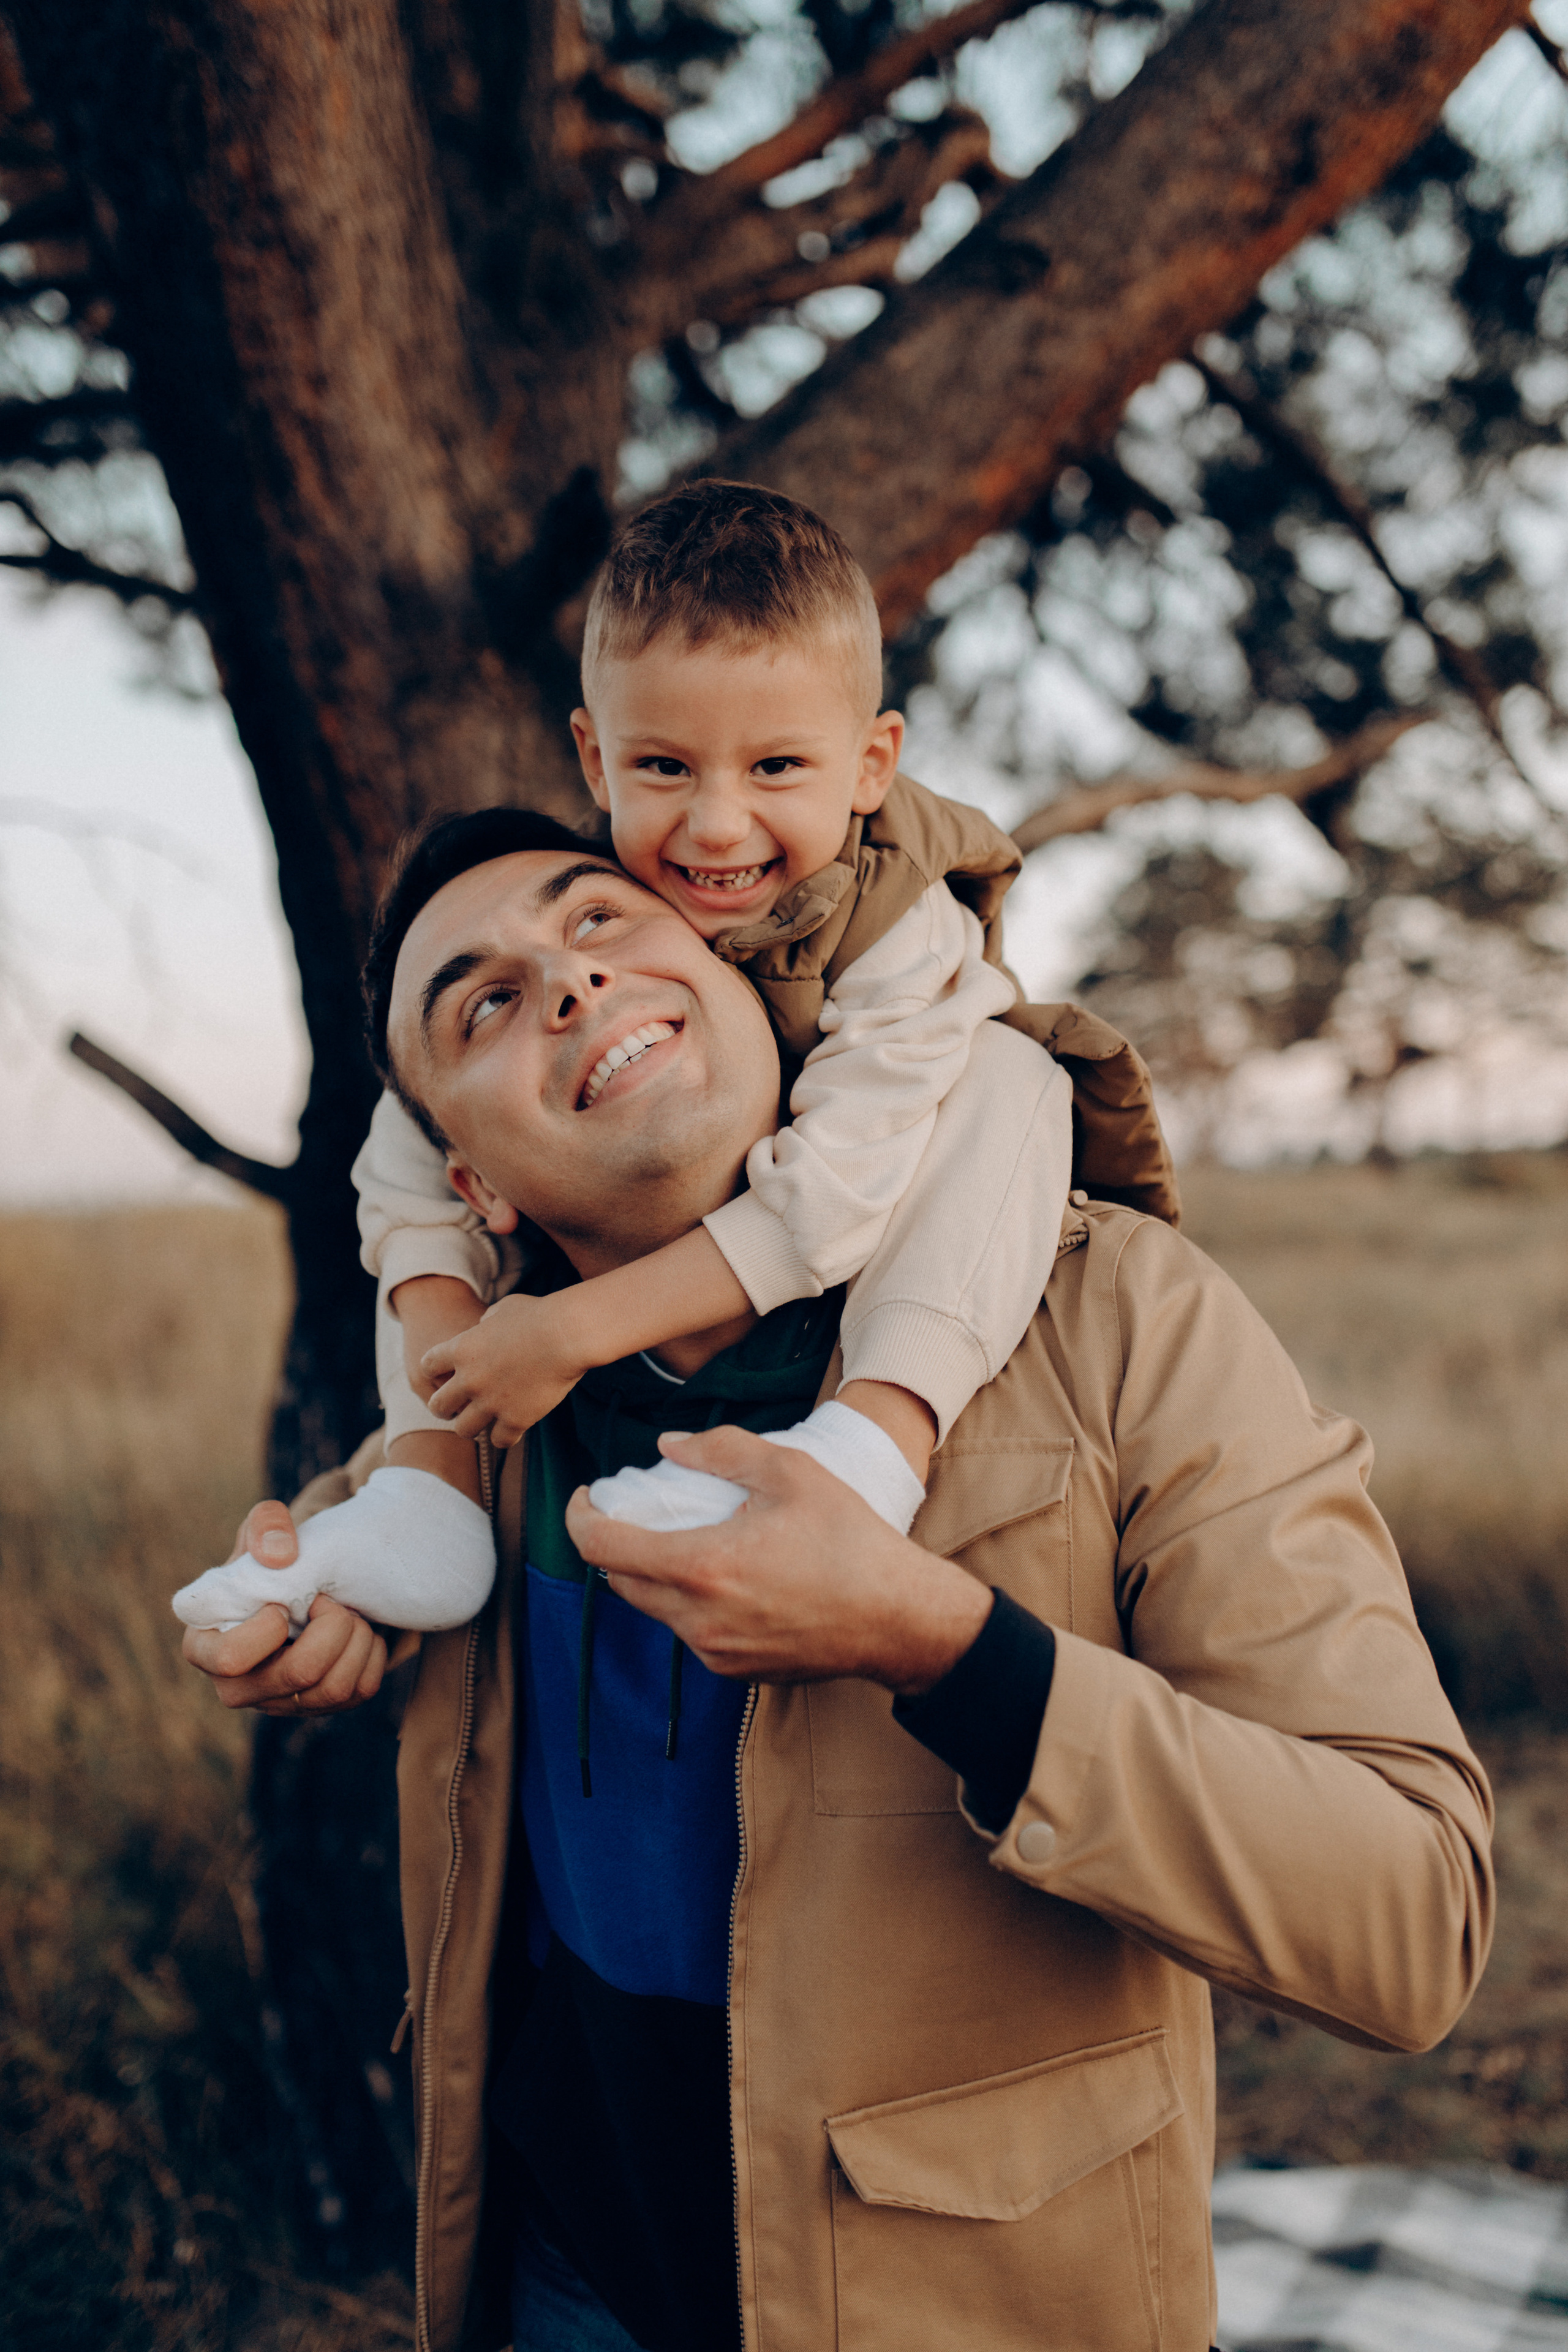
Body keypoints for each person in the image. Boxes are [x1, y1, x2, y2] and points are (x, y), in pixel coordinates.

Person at [183, 823, 1494, 2352]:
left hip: (968, 2312)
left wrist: (942, 1648)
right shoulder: (485, 1411)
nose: (568, 983)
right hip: (564, 2283)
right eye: (482, 1002)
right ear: (468, 1183)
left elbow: (1411, 1921)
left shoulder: (1123, 1320)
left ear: (733, 975)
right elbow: (379, 1536)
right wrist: (316, 1599)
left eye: (598, 919)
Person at [175, 479, 1079, 1640]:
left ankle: (871, 1444)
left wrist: (571, 1332)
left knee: (1007, 1072)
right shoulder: (601, 890)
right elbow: (421, 1139)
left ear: (871, 763)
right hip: (656, 1266)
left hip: (912, 1188)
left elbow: (832, 1198)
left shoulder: (902, 927)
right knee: (410, 1129)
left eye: (775, 769)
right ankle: (429, 1493)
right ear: (596, 762)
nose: (715, 826)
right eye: (665, 769)